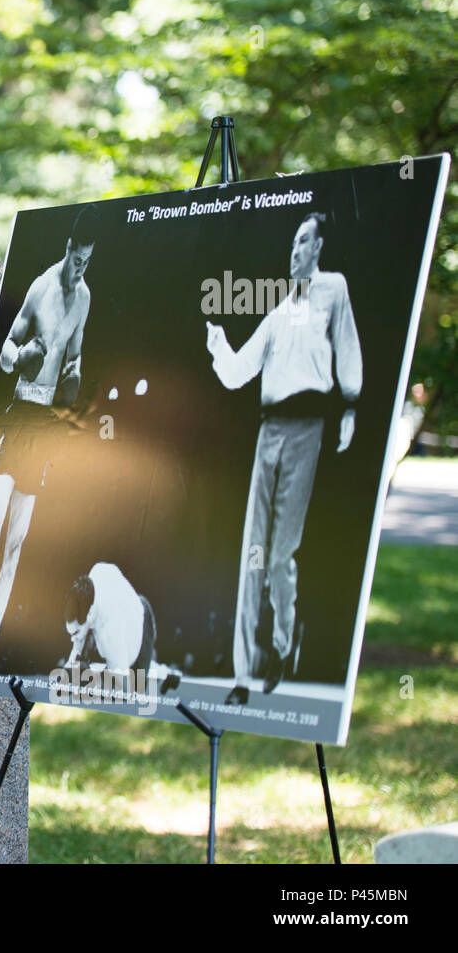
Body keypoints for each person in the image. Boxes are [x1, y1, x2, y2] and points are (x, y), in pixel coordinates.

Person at [206, 211, 362, 705]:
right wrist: (218, 345)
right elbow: (237, 373)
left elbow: (347, 347)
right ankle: (243, 676)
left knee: (278, 555)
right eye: (291, 243)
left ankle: (282, 642)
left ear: (318, 246)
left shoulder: (333, 290)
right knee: (252, 552)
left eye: (302, 242)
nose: (293, 251)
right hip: (268, 432)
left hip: (307, 430)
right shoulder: (276, 313)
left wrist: (351, 408)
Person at [0, 207, 96, 688]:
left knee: (16, 545)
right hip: (18, 417)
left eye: (88, 264)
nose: (80, 270)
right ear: (69, 250)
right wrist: (25, 356)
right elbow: (6, 352)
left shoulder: (85, 298)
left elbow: (74, 358)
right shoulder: (40, 287)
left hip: (46, 425)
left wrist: (73, 376)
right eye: (78, 260)